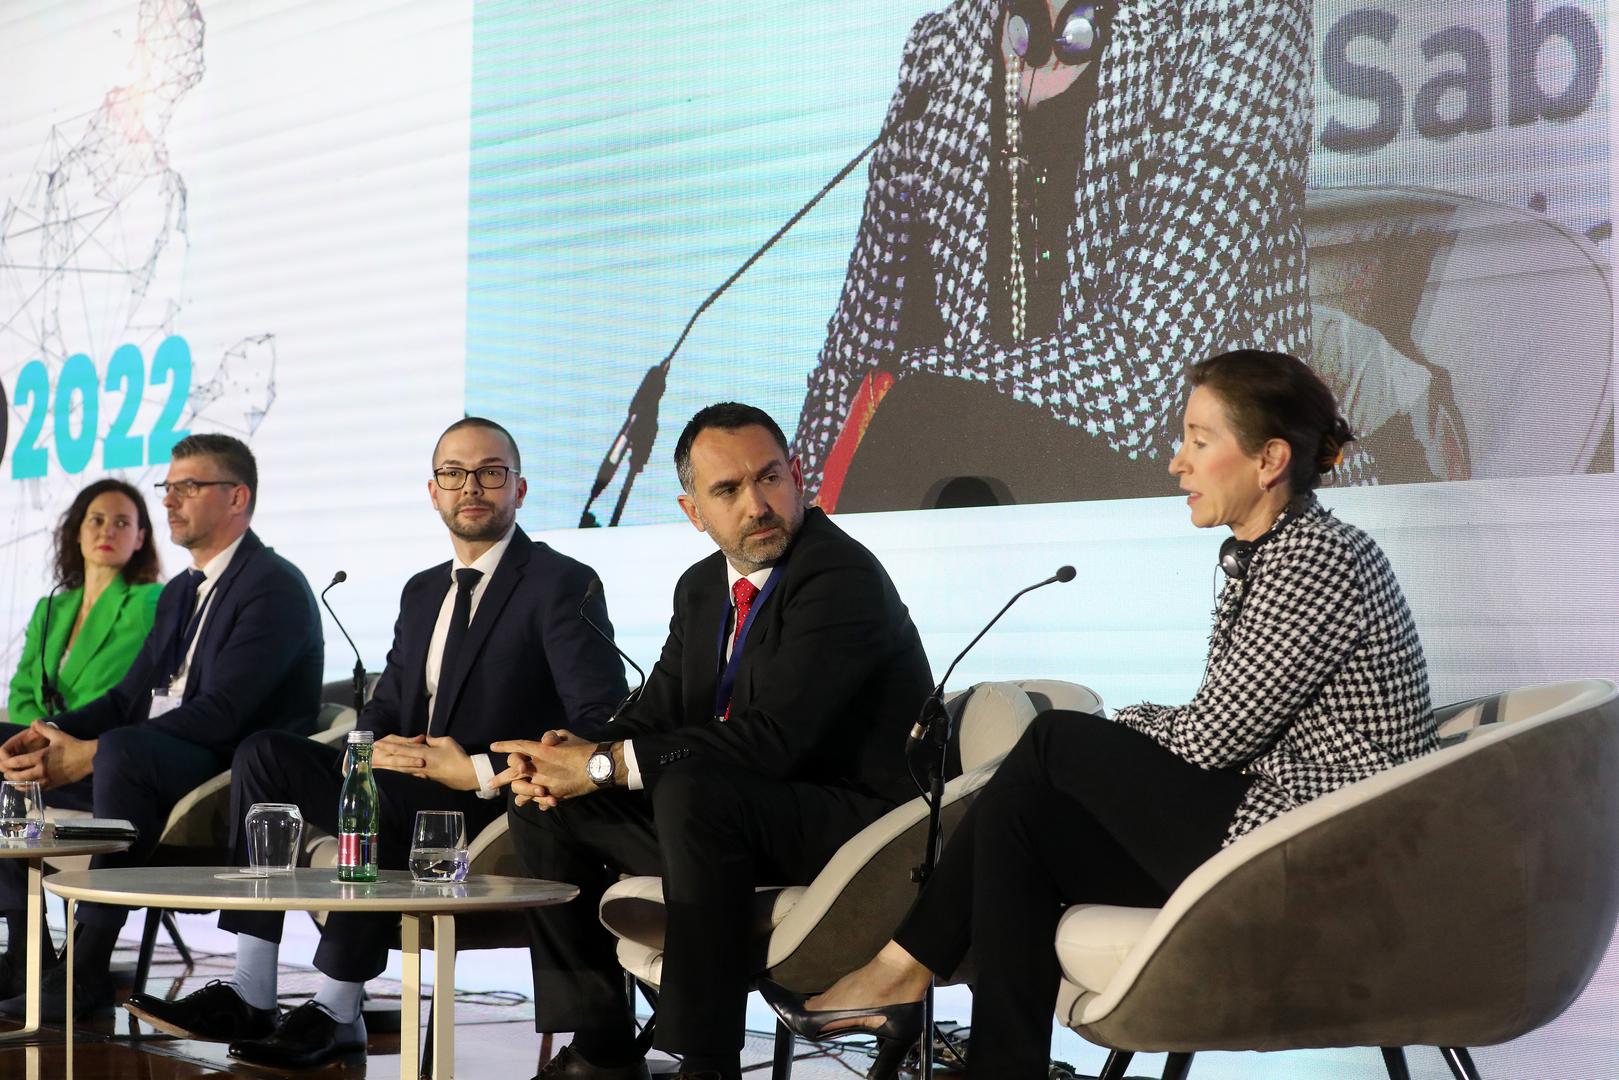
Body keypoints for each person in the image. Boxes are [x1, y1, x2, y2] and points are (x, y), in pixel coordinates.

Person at [762, 349, 1438, 1078]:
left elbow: (1213, 738)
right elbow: (1225, 729)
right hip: (1267, 825)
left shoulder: (1318, 558)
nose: (1177, 462)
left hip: (1325, 847)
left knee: (1055, 739)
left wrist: (1127, 721)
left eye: (1198, 441)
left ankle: (899, 971)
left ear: (1269, 459)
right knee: (1022, 822)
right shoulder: (1268, 555)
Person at [120, 417, 630, 1068]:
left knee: (382, 792)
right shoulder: (422, 592)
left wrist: (473, 766)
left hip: (491, 802)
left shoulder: (561, 582)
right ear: (433, 492)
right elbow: (388, 706)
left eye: (490, 472)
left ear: (520, 489)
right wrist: (366, 749)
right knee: (265, 754)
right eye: (453, 474)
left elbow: (597, 719)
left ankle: (337, 1010)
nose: (471, 487)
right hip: (401, 784)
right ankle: (251, 989)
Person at [495, 402, 934, 1080]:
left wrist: (603, 765)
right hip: (730, 819)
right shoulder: (702, 588)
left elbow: (776, 740)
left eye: (770, 478)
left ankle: (706, 1061)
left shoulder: (838, 576)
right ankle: (602, 1045)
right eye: (728, 490)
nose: (757, 504)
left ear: (797, 477)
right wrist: (569, 757)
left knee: (692, 789)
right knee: (543, 804)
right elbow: (658, 712)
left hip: (852, 823)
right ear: (693, 511)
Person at [795, 0, 1316, 511]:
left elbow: (1148, 364)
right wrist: (790, 505)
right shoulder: (942, 46)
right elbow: (856, 348)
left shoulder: (1243, 17)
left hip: (1183, 480)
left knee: (917, 416)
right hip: (976, 477)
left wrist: (919, 385)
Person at [0, 433, 324, 1020]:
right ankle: (27, 953)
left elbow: (223, 713)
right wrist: (49, 731)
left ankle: (85, 969)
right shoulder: (181, 590)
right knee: (6, 744)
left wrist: (94, 751)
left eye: (188, 487)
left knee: (122, 752)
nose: (169, 501)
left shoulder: (273, 585)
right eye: (168, 487)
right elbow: (127, 698)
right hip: (149, 754)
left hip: (221, 766)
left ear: (237, 497)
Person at [8, 479, 163, 726]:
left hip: (99, 742)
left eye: (121, 523)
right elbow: (21, 693)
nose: (107, 532)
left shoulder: (150, 601)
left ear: (139, 538)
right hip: (34, 737)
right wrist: (42, 736)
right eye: (96, 520)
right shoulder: (49, 608)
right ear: (78, 532)